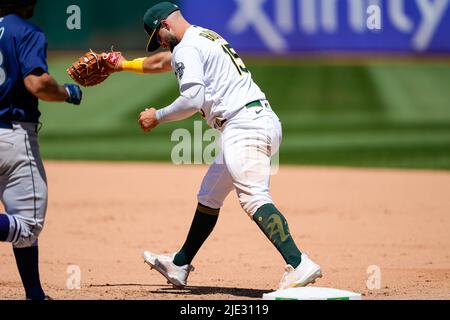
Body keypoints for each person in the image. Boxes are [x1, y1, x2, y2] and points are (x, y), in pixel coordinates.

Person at [110, 2, 322, 290]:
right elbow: (162, 62)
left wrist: (156, 116)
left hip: (244, 126)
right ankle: (180, 264)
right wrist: (123, 65)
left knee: (253, 198)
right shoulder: (204, 36)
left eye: (157, 37)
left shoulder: (186, 48)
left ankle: (298, 264)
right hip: (255, 120)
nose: (159, 44)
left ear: (165, 26)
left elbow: (192, 100)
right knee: (209, 194)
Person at [0, 0, 82, 300]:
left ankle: (35, 294)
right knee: (27, 225)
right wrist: (67, 92)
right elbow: (37, 83)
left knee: (20, 221)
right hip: (12, 136)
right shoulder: (26, 31)